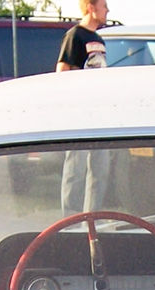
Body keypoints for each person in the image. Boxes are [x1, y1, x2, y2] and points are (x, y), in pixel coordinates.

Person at [57, 0, 111, 213]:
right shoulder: (75, 36)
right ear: (91, 7)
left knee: (100, 168)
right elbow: (62, 70)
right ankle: (70, 218)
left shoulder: (98, 39)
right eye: (104, 6)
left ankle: (91, 217)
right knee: (75, 168)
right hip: (78, 110)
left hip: (98, 110)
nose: (107, 10)